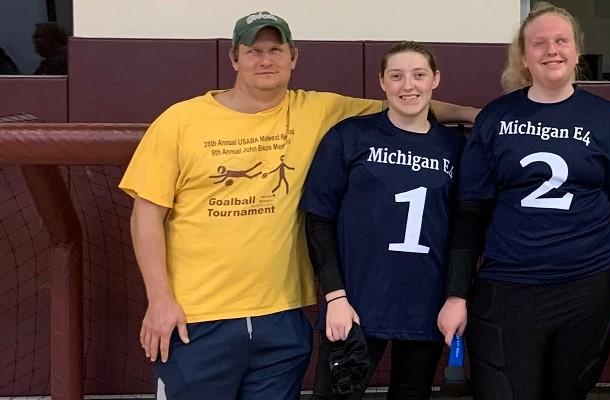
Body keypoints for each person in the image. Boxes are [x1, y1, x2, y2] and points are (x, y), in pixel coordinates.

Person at [120, 11, 475, 399]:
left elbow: (408, 104)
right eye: (254, 51)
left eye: (276, 49)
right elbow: (146, 214)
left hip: (282, 314)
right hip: (199, 315)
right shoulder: (181, 120)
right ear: (234, 58)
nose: (266, 59)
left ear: (294, 57)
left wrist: (480, 118)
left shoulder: (318, 110)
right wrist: (159, 300)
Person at [436, 3, 610, 399]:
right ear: (523, 56)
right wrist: (456, 295)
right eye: (539, 43)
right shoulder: (497, 118)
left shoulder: (606, 119)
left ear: (576, 50)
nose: (551, 50)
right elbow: (469, 216)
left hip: (589, 287)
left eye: (561, 41)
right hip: (509, 289)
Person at [301, 41, 463, 400]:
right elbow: (318, 220)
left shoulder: (455, 148)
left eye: (419, 75)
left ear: (435, 79)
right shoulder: (350, 136)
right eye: (397, 76)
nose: (409, 85)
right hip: (356, 304)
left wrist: (456, 296)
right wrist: (335, 296)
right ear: (382, 82)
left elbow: (462, 232)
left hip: (425, 303)